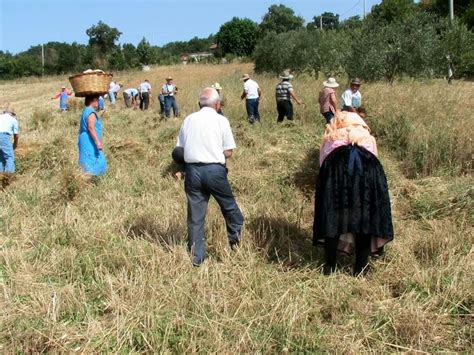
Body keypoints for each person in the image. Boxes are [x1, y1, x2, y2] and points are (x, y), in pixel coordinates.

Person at [313, 111, 393, 276]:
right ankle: (360, 268)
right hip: (366, 176)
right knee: (364, 221)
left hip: (335, 174)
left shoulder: (330, 137)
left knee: (333, 218)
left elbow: (323, 165)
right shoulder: (367, 138)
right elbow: (374, 159)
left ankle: (330, 266)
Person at [176, 87, 244, 266]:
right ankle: (236, 245)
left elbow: (180, 149)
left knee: (195, 217)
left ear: (200, 103)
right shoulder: (221, 120)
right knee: (229, 208)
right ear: (218, 104)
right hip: (214, 171)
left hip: (192, 172)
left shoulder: (188, 119)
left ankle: (196, 259)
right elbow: (228, 152)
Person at [78, 95, 107, 176]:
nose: (98, 102)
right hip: (89, 140)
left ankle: (85, 176)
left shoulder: (86, 110)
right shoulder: (91, 112)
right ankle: (93, 177)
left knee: (86, 158)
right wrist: (97, 141)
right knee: (94, 159)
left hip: (85, 139)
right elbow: (91, 127)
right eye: (97, 100)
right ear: (93, 100)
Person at [0, 106, 19, 173]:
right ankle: (8, 176)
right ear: (12, 114)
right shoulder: (13, 120)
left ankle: (1, 175)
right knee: (9, 157)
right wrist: (15, 145)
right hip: (4, 137)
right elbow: (16, 136)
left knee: (1, 158)